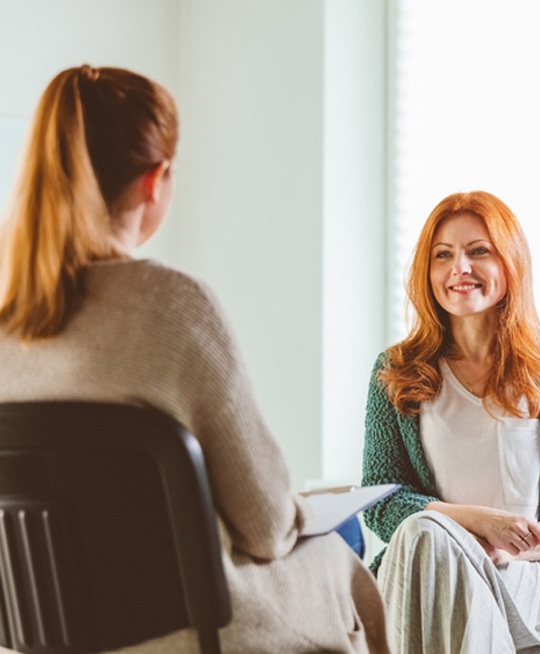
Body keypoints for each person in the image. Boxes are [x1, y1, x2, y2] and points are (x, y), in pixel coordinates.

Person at [0, 65, 388, 653]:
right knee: (349, 539)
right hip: (192, 631)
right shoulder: (173, 308)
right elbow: (265, 527)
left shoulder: (9, 316)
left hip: (48, 634)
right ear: (155, 181)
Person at [361, 191, 540, 653]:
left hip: (533, 570)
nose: (458, 269)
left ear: (510, 263)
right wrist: (474, 524)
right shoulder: (397, 369)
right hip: (432, 565)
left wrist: (516, 545)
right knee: (426, 539)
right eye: (442, 254)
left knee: (430, 565)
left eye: (478, 252)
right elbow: (381, 499)